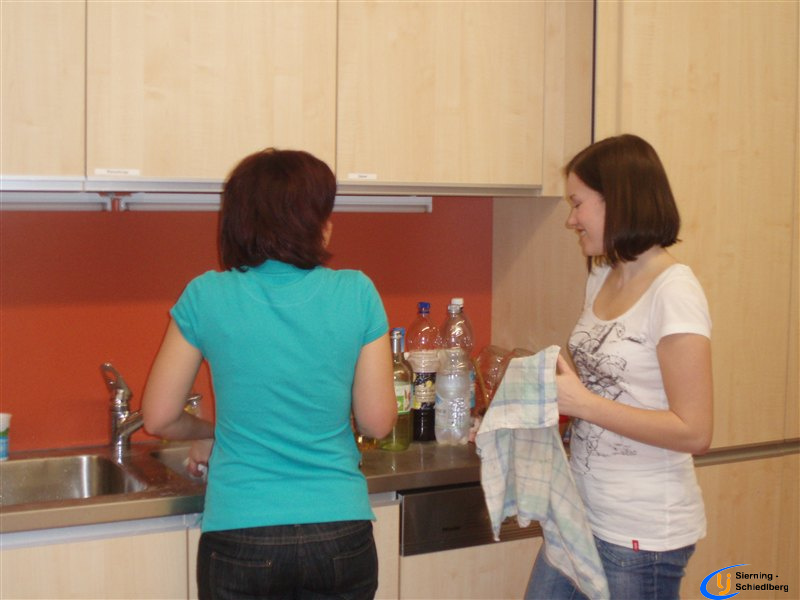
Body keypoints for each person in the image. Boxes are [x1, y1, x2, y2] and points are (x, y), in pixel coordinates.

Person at [142, 148, 397, 600]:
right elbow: (377, 422)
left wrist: (214, 432)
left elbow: (159, 417)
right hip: (340, 530)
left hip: (241, 533)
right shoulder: (357, 292)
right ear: (313, 222)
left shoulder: (206, 295)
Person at [525, 134, 713, 600]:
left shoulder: (674, 292)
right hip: (580, 514)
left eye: (578, 204)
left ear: (618, 200)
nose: (571, 219)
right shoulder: (602, 275)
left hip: (641, 535)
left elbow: (695, 431)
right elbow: (599, 383)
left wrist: (583, 404)